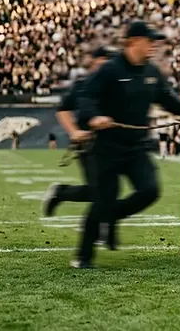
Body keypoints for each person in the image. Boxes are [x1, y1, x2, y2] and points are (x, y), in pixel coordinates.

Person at [75, 21, 180, 268]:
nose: (153, 46)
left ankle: (109, 216)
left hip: (136, 147)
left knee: (149, 190)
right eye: (149, 41)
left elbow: (168, 99)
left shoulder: (151, 71)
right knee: (103, 199)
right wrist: (93, 117)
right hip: (107, 148)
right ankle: (82, 257)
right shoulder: (110, 70)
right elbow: (86, 96)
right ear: (133, 41)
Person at [43, 46, 113, 245]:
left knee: (102, 189)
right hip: (88, 145)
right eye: (102, 62)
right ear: (94, 63)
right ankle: (100, 230)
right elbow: (63, 109)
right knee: (100, 189)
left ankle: (60, 193)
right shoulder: (83, 85)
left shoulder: (116, 87)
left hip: (111, 146)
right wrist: (74, 132)